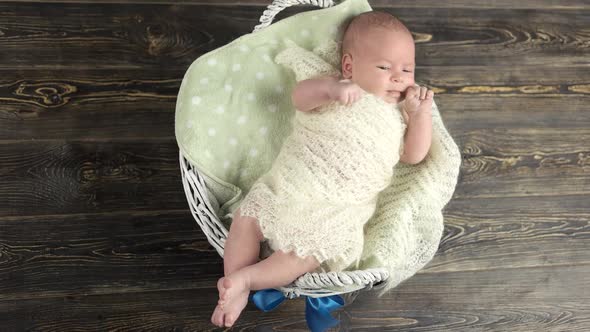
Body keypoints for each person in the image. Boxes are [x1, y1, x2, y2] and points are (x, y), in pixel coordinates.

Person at [211, 11, 434, 328]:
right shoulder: (336, 86)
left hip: (339, 206)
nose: (398, 77)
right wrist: (330, 90)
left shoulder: (400, 116)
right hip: (294, 181)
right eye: (384, 67)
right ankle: (234, 283)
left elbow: (414, 155)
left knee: (306, 255)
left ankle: (247, 280)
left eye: (407, 70)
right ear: (349, 66)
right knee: (247, 220)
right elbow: (299, 98)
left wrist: (421, 115)